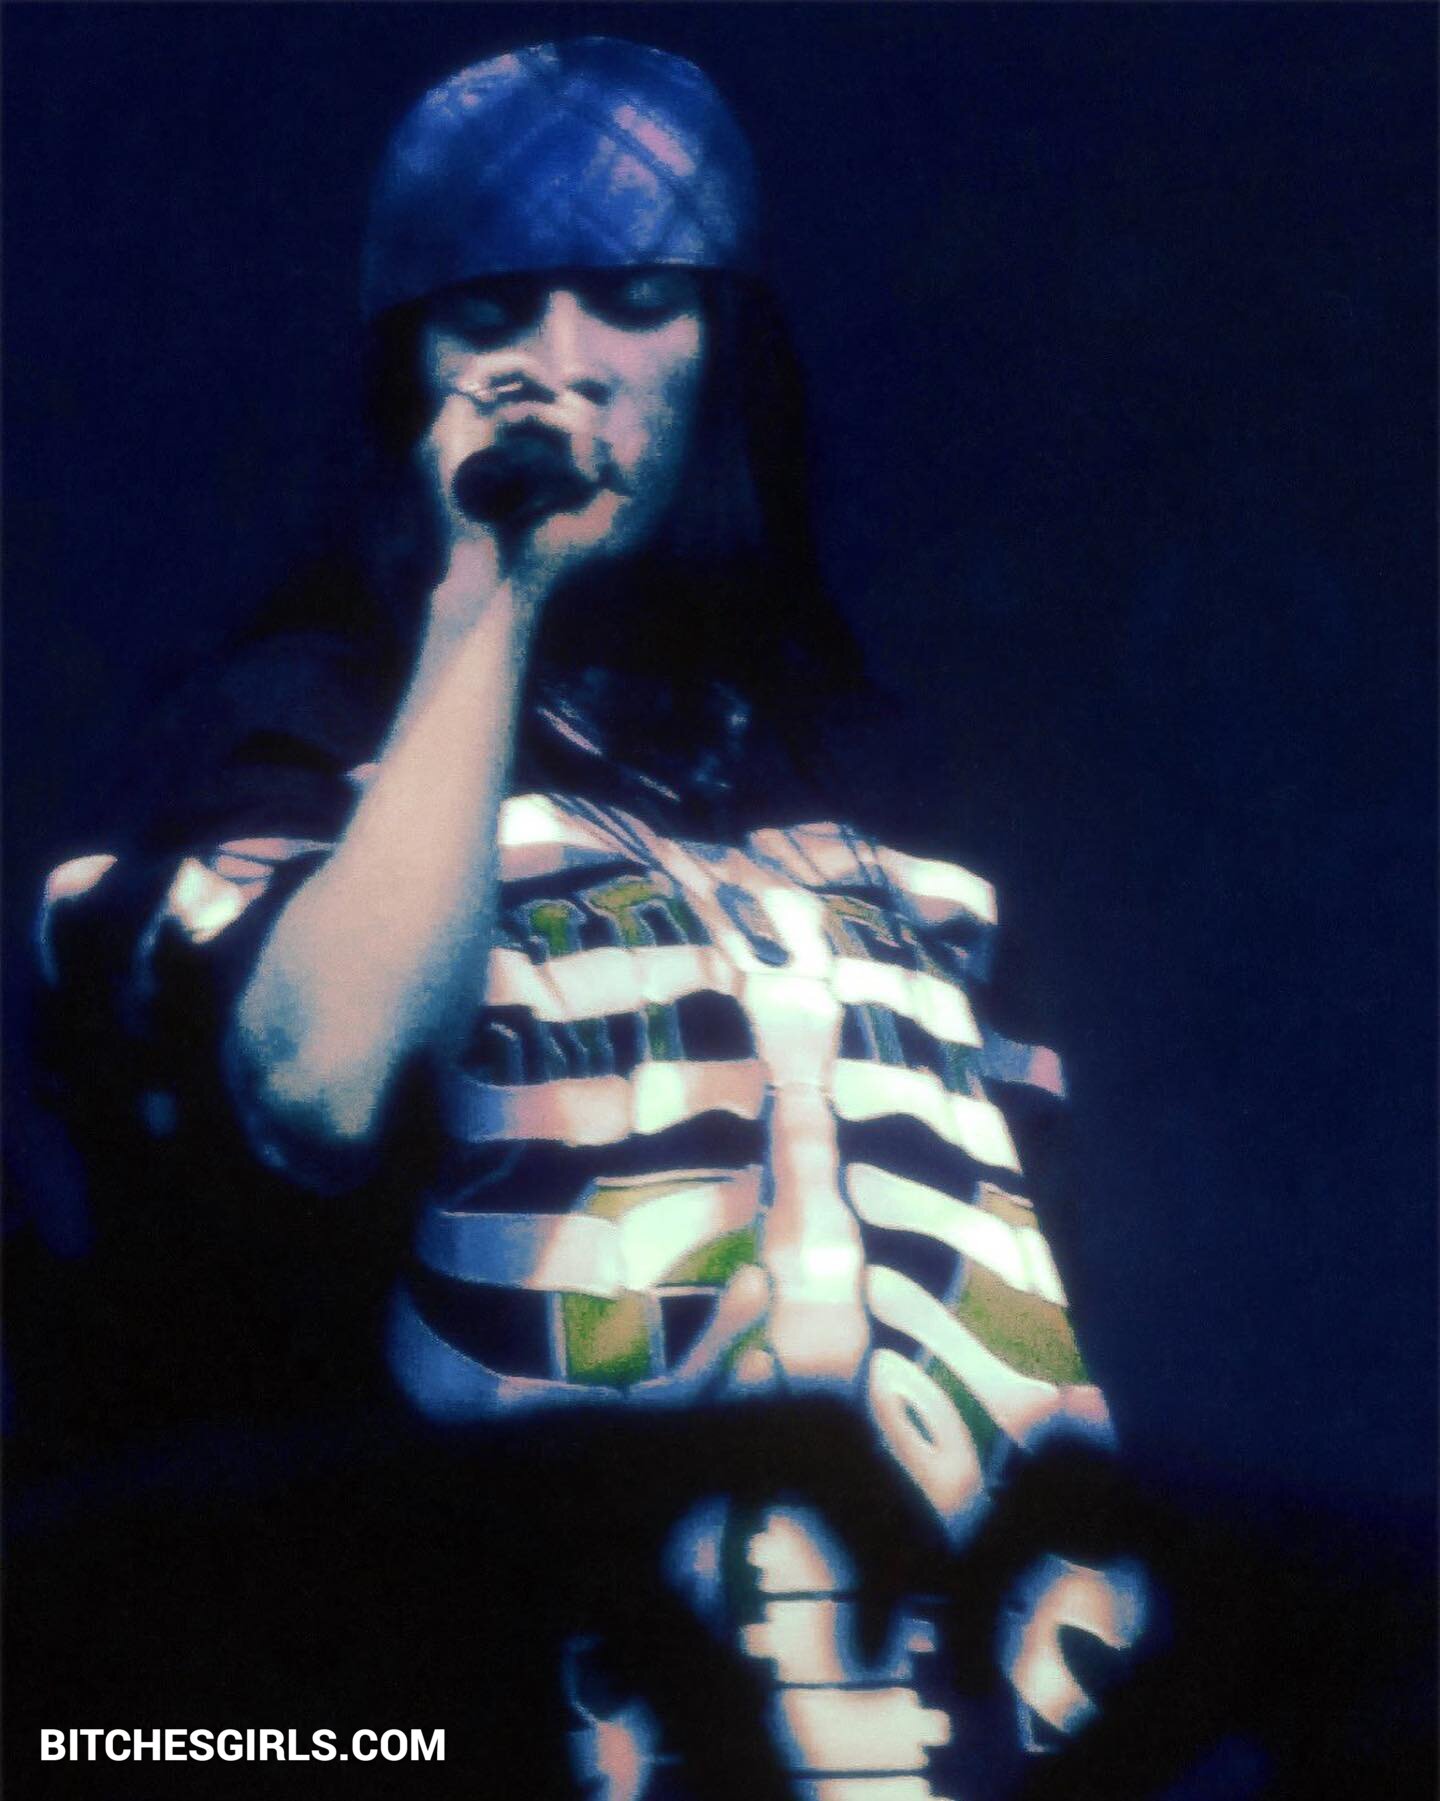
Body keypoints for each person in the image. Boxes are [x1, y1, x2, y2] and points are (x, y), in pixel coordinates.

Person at [30, 38, 1150, 1799]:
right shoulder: (285, 735)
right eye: (490, 313)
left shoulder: (891, 789)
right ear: (406, 372)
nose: (561, 365)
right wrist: (488, 596)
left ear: (725, 352)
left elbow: (1043, 1279)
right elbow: (316, 1086)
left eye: (633, 298)